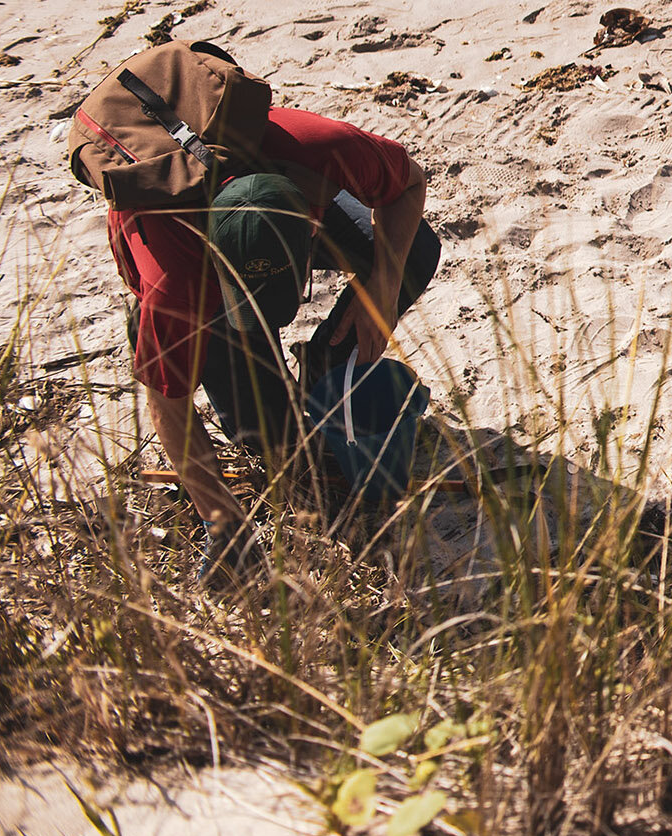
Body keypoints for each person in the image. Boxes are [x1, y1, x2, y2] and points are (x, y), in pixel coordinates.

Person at [103, 106, 439, 579]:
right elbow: (168, 406)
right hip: (178, 227)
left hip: (275, 185)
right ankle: (270, 394)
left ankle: (325, 378)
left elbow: (409, 182)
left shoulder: (321, 153)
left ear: (311, 227)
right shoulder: (175, 281)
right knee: (267, 437)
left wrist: (383, 283)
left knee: (412, 252)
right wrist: (223, 524)